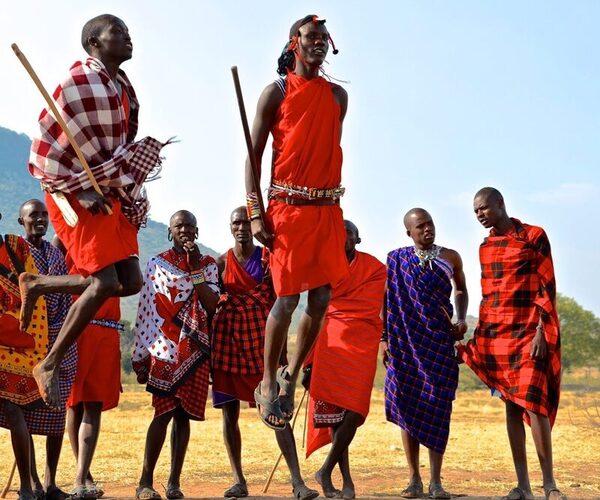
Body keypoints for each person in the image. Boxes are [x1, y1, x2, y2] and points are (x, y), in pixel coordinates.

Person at [21, 13, 168, 409]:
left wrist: (107, 184)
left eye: (128, 30)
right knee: (102, 282)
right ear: (94, 42)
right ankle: (48, 365)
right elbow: (49, 150)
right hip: (71, 193)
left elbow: (110, 152)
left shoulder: (121, 88)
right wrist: (80, 189)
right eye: (117, 32)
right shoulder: (79, 81)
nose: (127, 36)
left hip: (103, 191)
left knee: (131, 281)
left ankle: (37, 285)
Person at [246, 14, 348, 430]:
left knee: (321, 298)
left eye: (325, 38)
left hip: (326, 210)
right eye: (311, 37)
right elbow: (252, 157)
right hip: (286, 209)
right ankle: (268, 381)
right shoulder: (276, 92)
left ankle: (290, 374)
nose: (319, 43)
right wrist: (255, 212)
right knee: (286, 300)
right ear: (294, 43)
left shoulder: (339, 96)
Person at [459, 188, 565, 500]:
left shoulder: (534, 236)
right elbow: (489, 295)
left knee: (535, 405)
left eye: (484, 208)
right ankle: (524, 486)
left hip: (530, 333)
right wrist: (478, 338)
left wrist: (541, 332)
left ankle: (550, 485)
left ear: (500, 204)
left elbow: (548, 285)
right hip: (497, 335)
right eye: (475, 211)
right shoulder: (486, 247)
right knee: (510, 404)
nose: (480, 214)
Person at [211, 206, 318, 500]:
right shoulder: (220, 263)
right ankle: (238, 480)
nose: (242, 227)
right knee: (228, 416)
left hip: (264, 347)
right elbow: (212, 304)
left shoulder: (268, 258)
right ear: (230, 226)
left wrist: (283, 353)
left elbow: (281, 304)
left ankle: (298, 482)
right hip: (230, 345)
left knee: (278, 412)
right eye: (236, 222)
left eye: (246, 221)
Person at [131, 210, 219, 500]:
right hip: (163, 348)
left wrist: (195, 271)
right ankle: (145, 481)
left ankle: (174, 483)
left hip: (194, 349)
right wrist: (142, 351)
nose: (185, 230)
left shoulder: (207, 264)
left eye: (189, 226)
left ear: (197, 230)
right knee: (163, 412)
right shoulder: (157, 264)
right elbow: (146, 309)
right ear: (170, 231)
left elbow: (211, 305)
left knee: (183, 415)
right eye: (179, 226)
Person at [383, 208, 468, 500]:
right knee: (407, 404)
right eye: (420, 226)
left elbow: (461, 289)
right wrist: (384, 339)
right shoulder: (396, 260)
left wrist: (461, 318)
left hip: (438, 342)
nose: (427, 230)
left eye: (429, 223)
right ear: (409, 232)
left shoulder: (450, 257)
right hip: (405, 344)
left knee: (438, 407)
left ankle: (435, 482)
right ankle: (414, 480)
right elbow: (387, 301)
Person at [304, 220, 386, 500]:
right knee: (337, 417)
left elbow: (378, 307)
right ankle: (342, 481)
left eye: (347, 233)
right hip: (331, 344)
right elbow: (314, 312)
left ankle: (326, 470)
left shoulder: (375, 269)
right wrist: (307, 360)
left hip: (362, 345)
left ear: (357, 239)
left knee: (356, 410)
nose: (342, 238)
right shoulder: (323, 268)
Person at [0, 201, 75, 500]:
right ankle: (29, 483)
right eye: (34, 215)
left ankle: (50, 482)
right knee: (18, 410)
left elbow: (59, 299)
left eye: (45, 215)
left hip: (52, 340)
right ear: (21, 221)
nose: (41, 220)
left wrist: (56, 341)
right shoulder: (17, 250)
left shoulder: (45, 253)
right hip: (14, 344)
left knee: (55, 412)